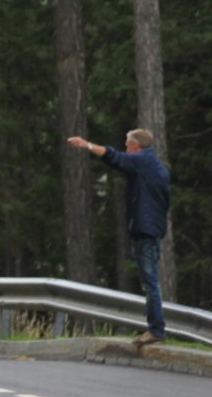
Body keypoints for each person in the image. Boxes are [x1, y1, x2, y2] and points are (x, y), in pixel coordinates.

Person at [67, 128, 171, 346]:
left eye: (127, 143)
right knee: (150, 281)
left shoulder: (142, 161)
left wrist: (87, 145)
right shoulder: (156, 166)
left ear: (136, 145)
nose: (125, 146)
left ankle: (156, 330)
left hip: (145, 230)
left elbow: (115, 158)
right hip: (153, 229)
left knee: (150, 282)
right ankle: (156, 328)